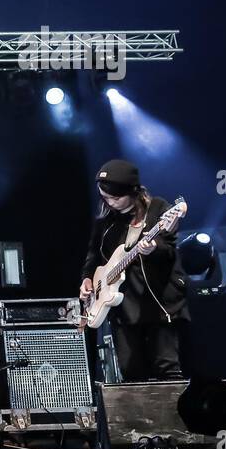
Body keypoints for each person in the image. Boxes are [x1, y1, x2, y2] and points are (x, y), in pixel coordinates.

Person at [79, 158, 188, 381]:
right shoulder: (104, 223)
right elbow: (92, 260)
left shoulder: (157, 208)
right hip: (122, 309)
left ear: (133, 192)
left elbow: (170, 250)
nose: (109, 202)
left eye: (115, 198)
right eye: (104, 197)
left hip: (158, 303)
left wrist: (154, 248)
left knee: (168, 369)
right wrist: (87, 280)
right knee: (131, 373)